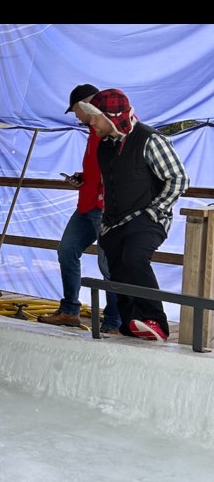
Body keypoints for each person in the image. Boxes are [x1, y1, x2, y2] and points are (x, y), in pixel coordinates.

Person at [79, 88, 189, 342]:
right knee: (117, 269)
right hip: (116, 221)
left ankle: (156, 321)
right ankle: (132, 324)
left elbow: (178, 178)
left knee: (133, 258)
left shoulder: (150, 139)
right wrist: (106, 223)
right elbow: (110, 186)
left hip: (148, 217)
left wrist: (155, 210)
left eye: (94, 117)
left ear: (111, 116)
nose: (90, 122)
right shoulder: (105, 146)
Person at [38, 84, 122, 333]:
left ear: (88, 104)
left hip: (103, 206)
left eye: (76, 109)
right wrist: (83, 177)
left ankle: (113, 322)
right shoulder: (92, 131)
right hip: (87, 203)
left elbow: (119, 168)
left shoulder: (110, 129)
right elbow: (99, 168)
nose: (76, 115)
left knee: (108, 266)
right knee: (67, 250)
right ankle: (70, 310)